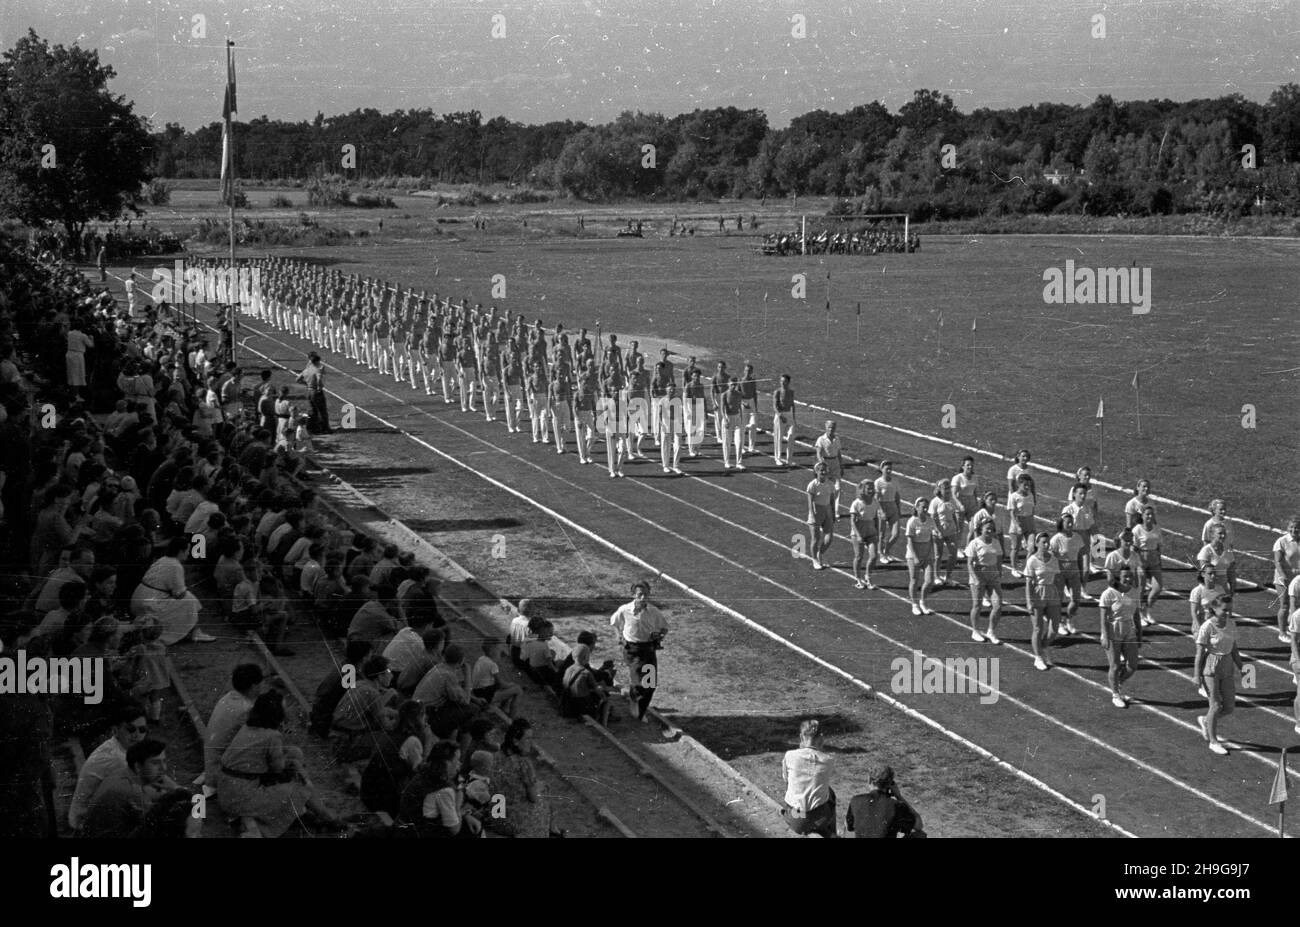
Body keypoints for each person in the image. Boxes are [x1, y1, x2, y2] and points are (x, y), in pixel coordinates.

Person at [220, 690, 342, 836]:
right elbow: (279, 769)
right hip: (241, 797)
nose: (287, 711)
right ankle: (326, 817)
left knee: (294, 755)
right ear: (276, 714)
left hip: (228, 789)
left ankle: (312, 811)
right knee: (299, 789)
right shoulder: (272, 736)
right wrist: (297, 770)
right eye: (284, 709)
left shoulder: (248, 727)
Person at [69, 703, 147, 831]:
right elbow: (142, 792)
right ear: (115, 730)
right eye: (131, 729)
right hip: (84, 821)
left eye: (142, 730)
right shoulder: (118, 758)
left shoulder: (116, 746)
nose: (137, 735)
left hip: (84, 813)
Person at [81, 738, 177, 839]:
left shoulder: (122, 772)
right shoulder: (133, 792)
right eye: (155, 763)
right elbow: (159, 823)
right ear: (138, 766)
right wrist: (177, 790)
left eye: (164, 761)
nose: (163, 768)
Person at [129, 535, 215, 644]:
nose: (188, 553)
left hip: (140, 599)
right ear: (180, 551)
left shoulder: (163, 559)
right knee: (189, 599)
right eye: (187, 550)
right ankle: (195, 632)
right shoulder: (175, 566)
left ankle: (195, 631)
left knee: (189, 598)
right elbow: (179, 594)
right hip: (149, 603)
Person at [360, 700, 432, 818]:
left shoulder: (392, 732)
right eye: (423, 715)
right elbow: (421, 772)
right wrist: (428, 740)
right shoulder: (412, 741)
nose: (426, 718)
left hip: (367, 792)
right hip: (381, 801)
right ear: (416, 719)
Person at [610, 580, 668, 722]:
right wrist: (619, 636)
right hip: (632, 650)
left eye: (646, 595)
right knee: (638, 682)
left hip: (648, 650)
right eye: (640, 595)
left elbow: (664, 628)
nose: (643, 598)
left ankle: (641, 712)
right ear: (633, 595)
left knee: (650, 684)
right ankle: (633, 697)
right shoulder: (624, 610)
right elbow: (614, 622)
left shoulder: (653, 611)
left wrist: (659, 635)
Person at [203, 663, 265, 796]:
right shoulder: (246, 709)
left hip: (212, 764)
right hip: (223, 772)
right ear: (254, 686)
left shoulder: (227, 697)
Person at [397, 740, 481, 838]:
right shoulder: (444, 789)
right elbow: (454, 829)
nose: (459, 764)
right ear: (447, 763)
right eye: (457, 760)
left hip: (403, 829)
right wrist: (458, 804)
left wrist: (465, 815)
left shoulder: (424, 773)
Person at [1193, 601, 1244, 755]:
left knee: (1229, 707)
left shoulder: (1231, 624)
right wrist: (1196, 675)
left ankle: (1206, 721)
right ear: (1214, 609)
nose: (1227, 613)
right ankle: (1213, 741)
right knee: (1215, 705)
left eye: (1229, 609)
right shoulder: (1207, 626)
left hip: (1227, 666)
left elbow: (1234, 649)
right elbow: (1199, 654)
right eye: (1224, 610)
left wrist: (1243, 668)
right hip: (1211, 668)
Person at [780, 719, 836, 837]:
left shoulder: (790, 755)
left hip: (796, 817)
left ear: (801, 737)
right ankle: (831, 832)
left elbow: (786, 779)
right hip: (820, 818)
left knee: (791, 790)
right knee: (830, 793)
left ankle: (804, 825)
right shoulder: (828, 760)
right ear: (821, 738)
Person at [493, 719, 548, 837]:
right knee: (545, 803)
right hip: (512, 820)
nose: (531, 743)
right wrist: (540, 787)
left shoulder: (497, 756)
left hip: (496, 815)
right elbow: (533, 797)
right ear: (515, 741)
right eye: (528, 739)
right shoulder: (524, 764)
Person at [1098, 567, 1142, 708]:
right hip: (1113, 631)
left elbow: (1136, 615)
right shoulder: (1108, 594)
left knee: (1132, 665)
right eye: (1125, 576)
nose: (1129, 579)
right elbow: (1103, 618)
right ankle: (1115, 694)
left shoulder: (1135, 592)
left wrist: (1140, 633)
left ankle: (1118, 683)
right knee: (1115, 665)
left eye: (1130, 576)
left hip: (1129, 630)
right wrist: (1105, 636)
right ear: (1118, 578)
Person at [845, 765, 923, 838]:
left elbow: (849, 826)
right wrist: (899, 796)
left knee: (848, 830)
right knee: (920, 835)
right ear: (890, 784)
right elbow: (918, 825)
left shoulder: (856, 800)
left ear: (869, 781)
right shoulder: (897, 806)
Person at [1024, 532, 1060, 669]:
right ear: (1037, 543)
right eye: (1043, 542)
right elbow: (1028, 583)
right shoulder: (1032, 560)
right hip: (1038, 594)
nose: (1046, 544)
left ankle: (1043, 647)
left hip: (1052, 592)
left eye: (1047, 542)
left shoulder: (1053, 559)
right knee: (1038, 628)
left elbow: (1057, 579)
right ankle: (1038, 657)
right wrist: (1029, 601)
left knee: (1054, 628)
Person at [965, 519, 1003, 644]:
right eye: (987, 528)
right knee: (977, 605)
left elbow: (998, 559)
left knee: (997, 605)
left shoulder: (996, 542)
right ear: (981, 529)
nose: (990, 530)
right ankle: (975, 631)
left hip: (993, 576)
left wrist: (999, 572)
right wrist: (975, 578)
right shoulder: (974, 543)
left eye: (992, 528)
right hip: (979, 575)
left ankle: (991, 631)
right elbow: (969, 563)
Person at [1050, 514, 1085, 636]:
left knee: (1076, 599)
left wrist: (1082, 571)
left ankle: (1069, 620)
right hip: (1060, 573)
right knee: (1059, 600)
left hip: (1074, 571)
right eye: (1067, 522)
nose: (1070, 524)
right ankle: (1059, 623)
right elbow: (1051, 558)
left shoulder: (1078, 538)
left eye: (1072, 522)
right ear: (1061, 524)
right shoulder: (1056, 539)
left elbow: (1080, 556)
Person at [560, 643, 613, 724]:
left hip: (569, 702)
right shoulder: (586, 673)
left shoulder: (568, 669)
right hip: (582, 704)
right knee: (606, 699)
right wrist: (607, 690)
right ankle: (603, 722)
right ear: (586, 657)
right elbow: (597, 689)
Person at [470, 637, 523, 717]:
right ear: (492, 652)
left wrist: (508, 685)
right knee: (518, 690)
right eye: (499, 650)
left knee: (509, 688)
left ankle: (503, 708)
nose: (501, 652)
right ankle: (512, 717)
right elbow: (501, 684)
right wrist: (511, 685)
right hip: (485, 695)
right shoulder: (492, 665)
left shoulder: (481, 659)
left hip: (477, 691)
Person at [1131, 505, 1164, 628]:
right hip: (1141, 561)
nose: (1150, 516)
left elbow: (1159, 546)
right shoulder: (1137, 530)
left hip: (1154, 560)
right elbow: (1133, 549)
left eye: (1151, 514)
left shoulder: (1157, 528)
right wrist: (1138, 564)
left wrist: (1160, 561)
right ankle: (1139, 614)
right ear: (1142, 516)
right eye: (1147, 514)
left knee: (1157, 587)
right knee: (1141, 589)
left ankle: (1147, 610)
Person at [904, 497, 936, 616]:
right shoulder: (912, 521)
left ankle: (923, 602)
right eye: (923, 507)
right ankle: (914, 604)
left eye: (927, 507)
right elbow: (910, 541)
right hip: (914, 555)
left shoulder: (930, 520)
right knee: (914, 580)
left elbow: (931, 537)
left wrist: (931, 552)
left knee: (929, 581)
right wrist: (915, 557)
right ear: (917, 508)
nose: (926, 509)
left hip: (927, 554)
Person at [1272, 517, 1300, 645]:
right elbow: (1277, 561)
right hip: (1283, 579)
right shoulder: (1281, 541)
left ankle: (1293, 628)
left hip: (1297, 579)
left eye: (1297, 527)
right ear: (1288, 528)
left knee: (1297, 605)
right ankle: (1282, 633)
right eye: (1291, 527)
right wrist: (1283, 576)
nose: (1294, 530)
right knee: (1285, 605)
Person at [849, 479, 880, 590]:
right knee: (859, 556)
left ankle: (868, 577)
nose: (871, 490)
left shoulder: (875, 501)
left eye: (872, 488)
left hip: (871, 531)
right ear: (863, 489)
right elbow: (852, 521)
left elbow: (876, 517)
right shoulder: (856, 503)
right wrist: (858, 535)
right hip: (859, 532)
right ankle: (858, 579)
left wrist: (877, 531)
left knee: (874, 556)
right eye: (868, 488)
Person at [929, 480, 960, 587]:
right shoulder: (935, 502)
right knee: (938, 555)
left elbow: (953, 514)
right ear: (939, 490)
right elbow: (933, 518)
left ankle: (948, 577)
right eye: (944, 488)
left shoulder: (950, 501)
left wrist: (956, 527)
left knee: (953, 553)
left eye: (948, 488)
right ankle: (936, 576)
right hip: (939, 532)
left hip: (950, 530)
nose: (947, 490)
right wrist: (938, 531)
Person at [805, 462, 835, 570]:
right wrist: (812, 515)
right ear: (816, 472)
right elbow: (810, 502)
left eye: (825, 470)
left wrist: (833, 513)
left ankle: (820, 553)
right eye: (821, 470)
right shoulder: (812, 485)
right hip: (816, 511)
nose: (823, 472)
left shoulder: (830, 484)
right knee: (816, 539)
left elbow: (832, 500)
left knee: (829, 538)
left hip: (827, 511)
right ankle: (814, 560)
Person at [874, 460, 903, 563]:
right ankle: (881, 554)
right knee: (881, 534)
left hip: (893, 507)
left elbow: (897, 496)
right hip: (882, 507)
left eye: (890, 469)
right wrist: (881, 511)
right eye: (887, 469)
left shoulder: (895, 481)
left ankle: (887, 550)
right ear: (882, 470)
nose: (889, 471)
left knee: (896, 534)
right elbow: (876, 499)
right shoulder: (878, 482)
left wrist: (899, 509)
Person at [296, 352, 331, 435]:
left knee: (313, 411)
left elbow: (297, 379)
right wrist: (319, 387)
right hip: (316, 392)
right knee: (322, 411)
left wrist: (306, 384)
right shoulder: (317, 370)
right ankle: (325, 428)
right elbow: (318, 379)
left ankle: (314, 428)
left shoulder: (306, 370)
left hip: (309, 391)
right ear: (316, 362)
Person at [1189, 563, 1226, 640]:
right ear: (1203, 574)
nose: (1213, 576)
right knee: (1202, 650)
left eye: (1214, 573)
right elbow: (1194, 611)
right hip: (1201, 623)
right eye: (1210, 574)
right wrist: (1198, 627)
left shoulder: (1220, 589)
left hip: (1216, 624)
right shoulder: (1197, 591)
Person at [813, 420, 844, 511]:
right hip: (826, 463)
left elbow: (839, 453)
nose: (831, 429)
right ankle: (824, 505)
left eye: (833, 427)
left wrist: (841, 466)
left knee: (838, 487)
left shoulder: (837, 439)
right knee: (826, 486)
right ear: (826, 428)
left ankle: (835, 510)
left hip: (835, 463)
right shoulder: (821, 439)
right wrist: (822, 464)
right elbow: (818, 453)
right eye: (829, 427)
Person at [771, 373, 795, 466]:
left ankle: (789, 459)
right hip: (780, 415)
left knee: (791, 436)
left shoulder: (791, 392)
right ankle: (778, 458)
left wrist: (794, 418)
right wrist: (780, 416)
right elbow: (774, 406)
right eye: (781, 381)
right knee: (778, 437)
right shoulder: (777, 392)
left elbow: (792, 404)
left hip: (789, 414)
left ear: (788, 382)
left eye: (784, 381)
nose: (782, 383)